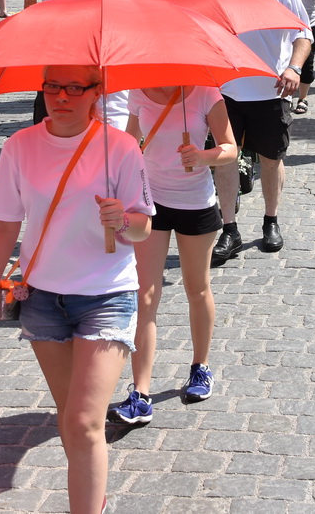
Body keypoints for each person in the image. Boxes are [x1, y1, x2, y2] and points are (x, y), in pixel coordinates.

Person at [0, 66, 154, 514]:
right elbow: (5, 225)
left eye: (74, 87)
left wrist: (122, 220)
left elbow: (143, 227)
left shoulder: (120, 147)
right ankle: (94, 498)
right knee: (72, 420)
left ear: (97, 91)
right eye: (52, 87)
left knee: (84, 420)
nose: (62, 97)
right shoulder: (20, 145)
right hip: (42, 298)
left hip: (107, 294)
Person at [111, 83, 235, 426]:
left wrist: (203, 157)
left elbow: (230, 148)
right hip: (150, 203)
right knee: (145, 295)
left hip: (196, 203)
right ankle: (140, 392)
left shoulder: (206, 93)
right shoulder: (138, 93)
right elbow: (129, 143)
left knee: (197, 288)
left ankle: (200, 367)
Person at [211, 0, 310, 262]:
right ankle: (229, 229)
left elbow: (303, 32)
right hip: (227, 89)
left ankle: (271, 220)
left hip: (270, 89)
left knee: (271, 159)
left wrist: (294, 68)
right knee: (225, 158)